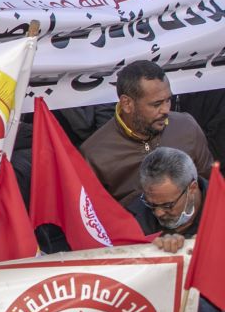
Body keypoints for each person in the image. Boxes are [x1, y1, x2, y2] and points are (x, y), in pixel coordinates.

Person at [79, 61, 214, 205]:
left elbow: (211, 186)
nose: (166, 110)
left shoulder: (186, 126)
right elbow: (95, 216)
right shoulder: (94, 155)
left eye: (168, 100)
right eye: (156, 104)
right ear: (127, 104)